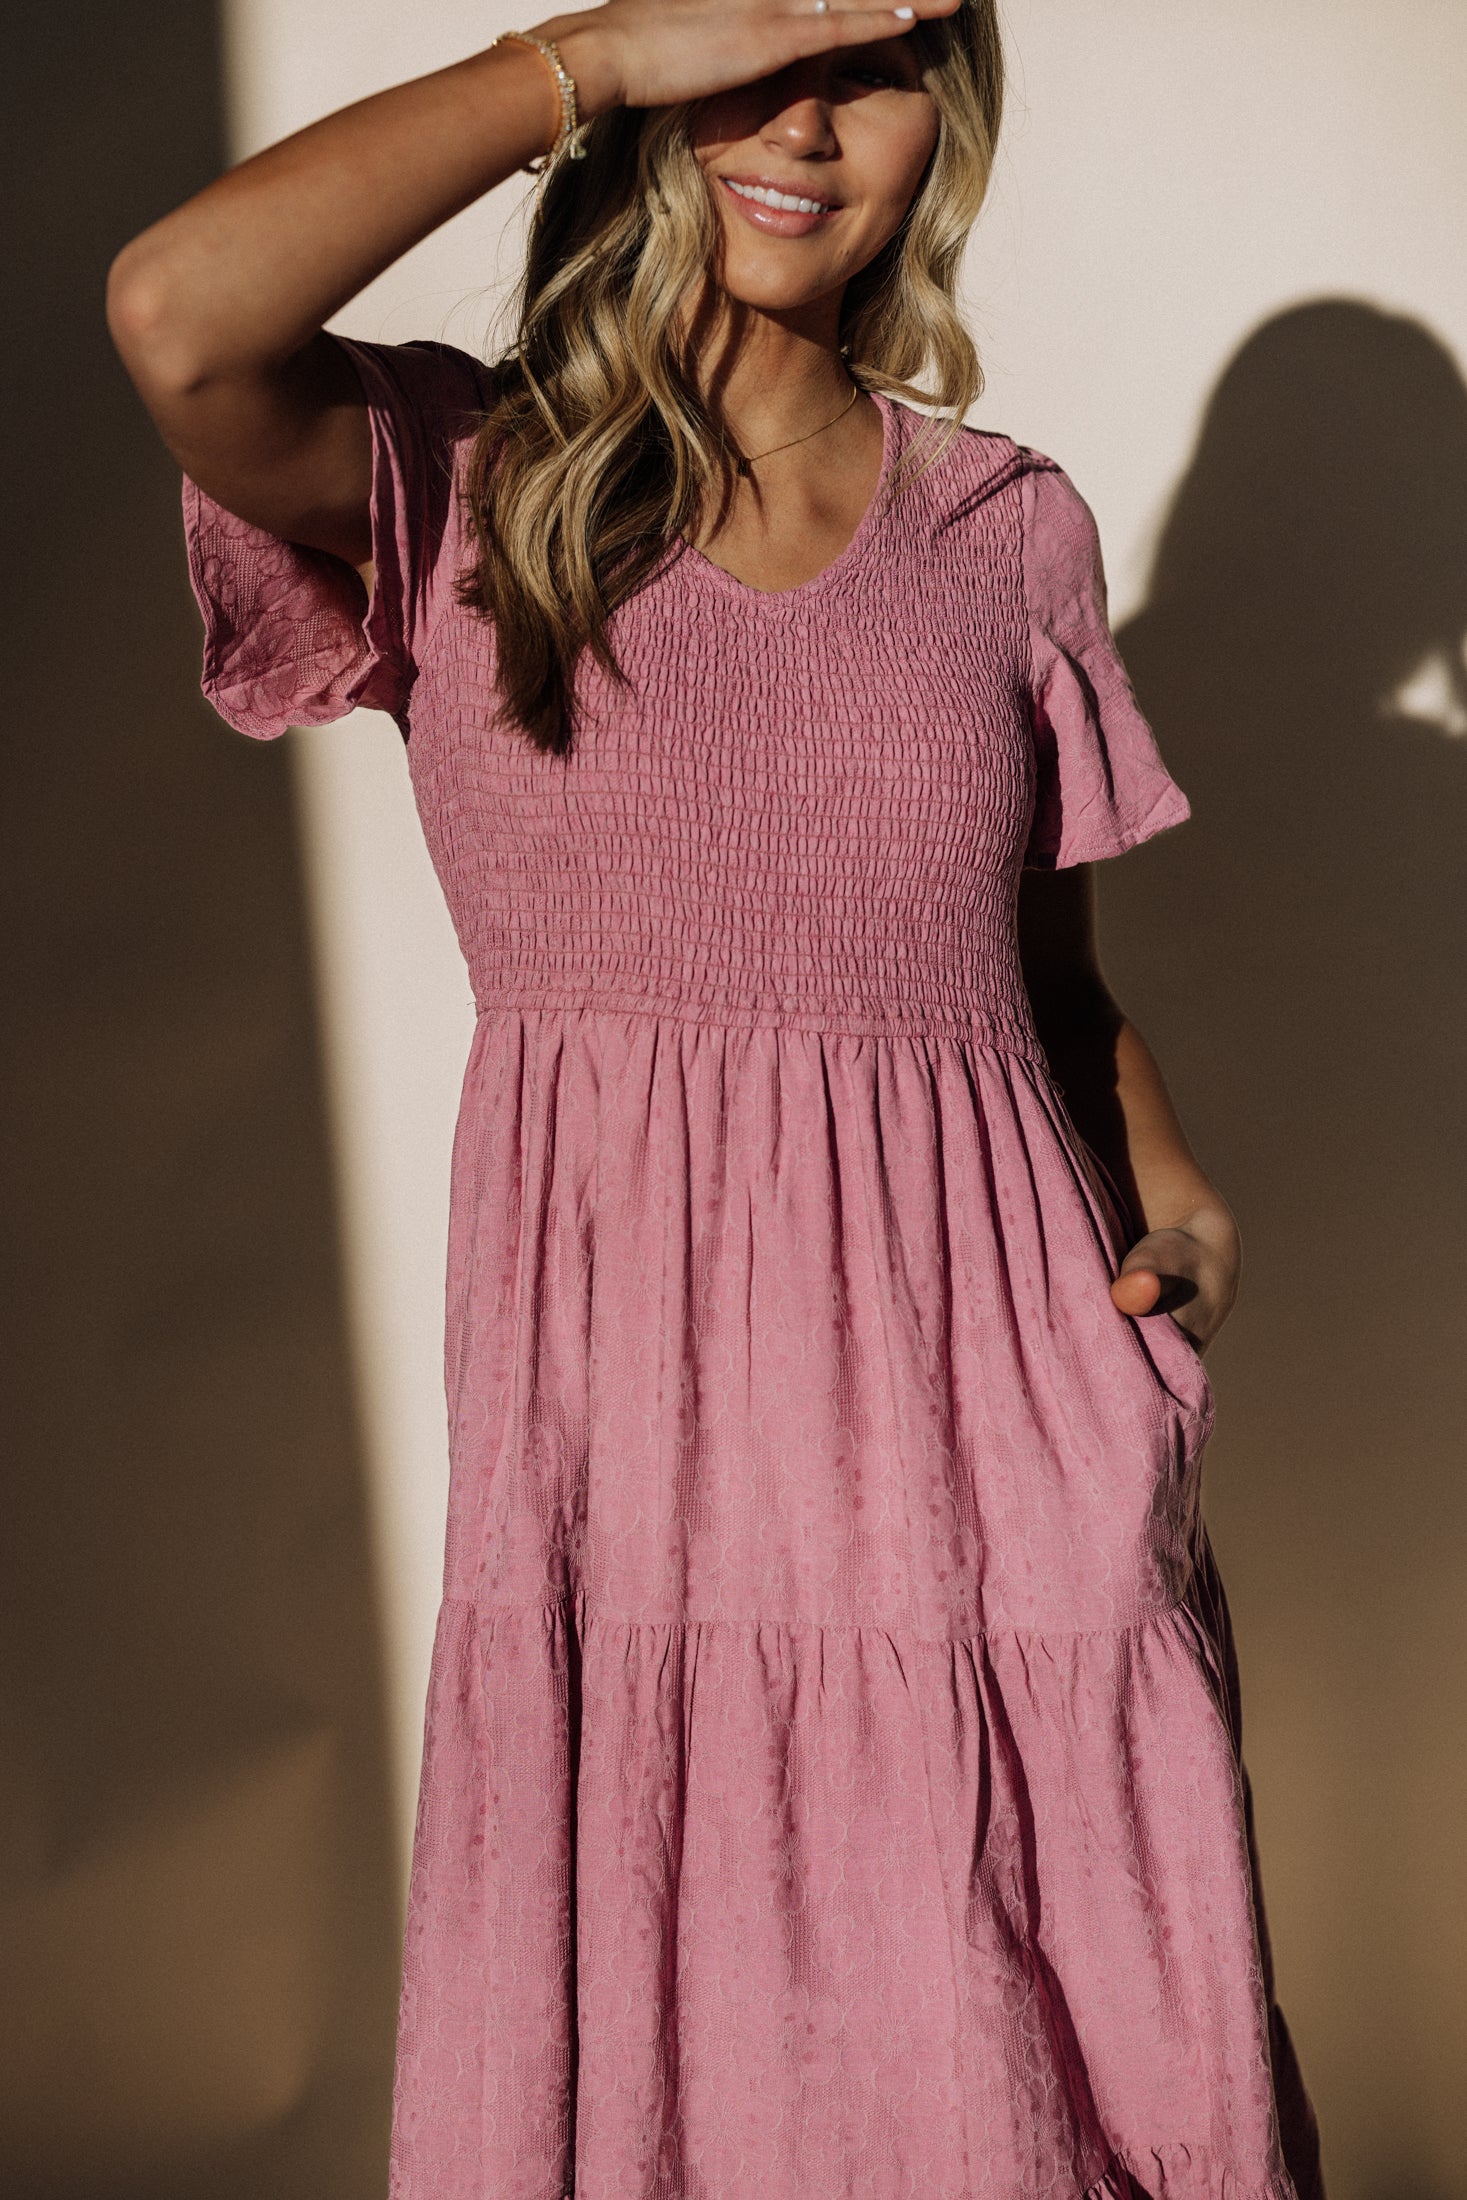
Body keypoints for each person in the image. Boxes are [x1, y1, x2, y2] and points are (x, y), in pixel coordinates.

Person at [106, 2, 1324, 2194]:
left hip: (997, 1449)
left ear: (944, 126)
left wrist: (1177, 1190)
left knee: (1033, 2085)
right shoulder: (464, 477)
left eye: (874, 62)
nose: (802, 119)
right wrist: (596, 55)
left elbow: (1044, 985)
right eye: (756, 37)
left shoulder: (1004, 529)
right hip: (632, 1469)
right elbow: (179, 310)